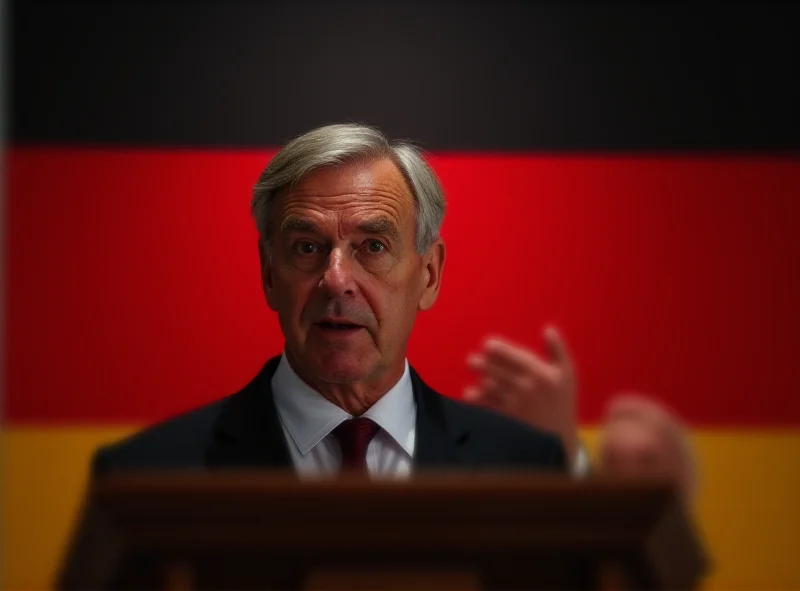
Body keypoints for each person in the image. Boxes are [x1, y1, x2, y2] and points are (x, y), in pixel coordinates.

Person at [91, 123, 569, 477]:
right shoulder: (146, 476)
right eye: (307, 248)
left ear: (429, 273)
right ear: (268, 273)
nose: (336, 279)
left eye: (373, 246)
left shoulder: (525, 467)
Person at [465, 334, 695, 495]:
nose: (628, 474)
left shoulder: (675, 554)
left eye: (647, 461)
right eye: (610, 461)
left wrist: (562, 446)